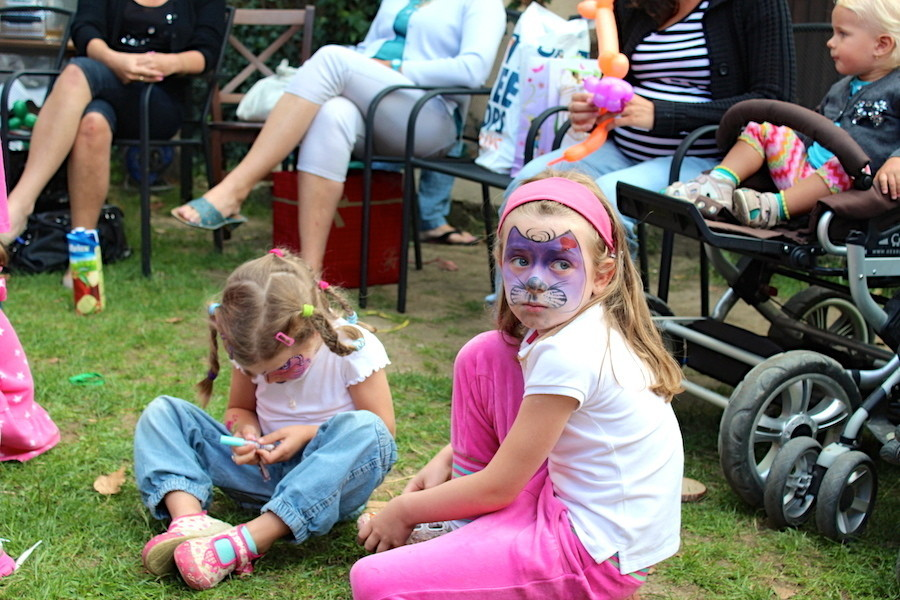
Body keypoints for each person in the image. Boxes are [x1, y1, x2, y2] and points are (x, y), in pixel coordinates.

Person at [351, 171, 685, 599]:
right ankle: (467, 529)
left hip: (593, 556)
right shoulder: (570, 323)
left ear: (604, 275)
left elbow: (500, 485)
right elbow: (534, 430)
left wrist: (403, 510)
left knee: (373, 582)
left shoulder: (569, 350)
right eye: (521, 259)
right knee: (487, 354)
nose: (535, 281)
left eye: (560, 263)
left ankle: (483, 544)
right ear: (500, 260)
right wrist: (449, 457)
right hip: (572, 511)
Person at [171, 0, 504, 271]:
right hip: (376, 111)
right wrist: (357, 60)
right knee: (332, 114)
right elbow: (368, 47)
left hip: (430, 118)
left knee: (331, 58)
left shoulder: (481, 4)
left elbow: (472, 69)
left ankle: (235, 188)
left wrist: (395, 68)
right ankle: (310, 275)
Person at [133, 249, 396, 590]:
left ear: (313, 328)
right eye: (260, 373)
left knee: (366, 429)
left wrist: (305, 435)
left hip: (328, 486)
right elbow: (239, 409)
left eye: (287, 367)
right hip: (260, 474)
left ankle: (251, 540)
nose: (272, 380)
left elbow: (382, 433)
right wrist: (247, 431)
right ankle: (190, 521)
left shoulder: (352, 348)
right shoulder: (255, 345)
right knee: (163, 412)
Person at [507, 0, 796, 246]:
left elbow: (773, 100)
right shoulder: (636, 3)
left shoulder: (756, 4)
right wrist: (599, 105)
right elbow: (622, 80)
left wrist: (664, 114)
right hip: (621, 148)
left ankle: (613, 311)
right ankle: (516, 306)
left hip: (703, 160)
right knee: (527, 186)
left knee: (608, 200)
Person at [0, 0, 226, 253]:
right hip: (104, 82)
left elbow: (207, 52)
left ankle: (19, 206)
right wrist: (115, 60)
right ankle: (83, 255)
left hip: (159, 98)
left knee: (77, 73)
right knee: (92, 124)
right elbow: (85, 30)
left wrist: (163, 64)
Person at [663, 0, 900, 227]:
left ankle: (772, 208)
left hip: (847, 188)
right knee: (764, 127)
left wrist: (897, 158)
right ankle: (719, 183)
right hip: (802, 169)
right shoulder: (841, 88)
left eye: (843, 34)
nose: (831, 42)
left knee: (845, 165)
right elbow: (813, 129)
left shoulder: (895, 87)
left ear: (881, 45)